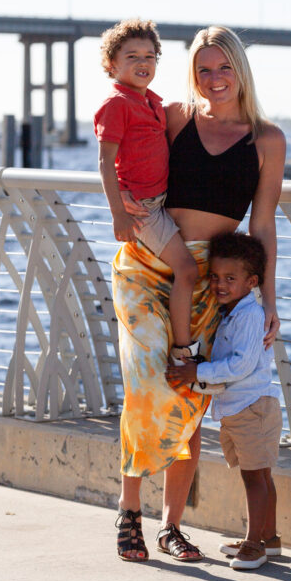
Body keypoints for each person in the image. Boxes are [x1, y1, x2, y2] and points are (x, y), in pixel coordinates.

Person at [112, 25, 285, 563]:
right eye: (204, 68)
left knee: (189, 402)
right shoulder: (175, 118)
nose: (214, 79)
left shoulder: (267, 140)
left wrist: (268, 300)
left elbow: (264, 227)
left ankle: (172, 527)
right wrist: (120, 203)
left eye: (224, 67)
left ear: (240, 70)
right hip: (149, 264)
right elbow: (126, 160)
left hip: (212, 281)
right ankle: (129, 510)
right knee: (146, 387)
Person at [167, 232, 282, 570]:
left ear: (252, 282)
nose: (220, 284)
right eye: (215, 277)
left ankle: (253, 545)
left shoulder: (248, 315)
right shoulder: (235, 311)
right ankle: (269, 539)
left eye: (230, 279)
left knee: (254, 478)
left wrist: (198, 372)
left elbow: (242, 365)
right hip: (241, 407)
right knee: (260, 476)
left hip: (253, 407)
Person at [94, 18, 202, 367]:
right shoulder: (117, 104)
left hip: (163, 200)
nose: (143, 63)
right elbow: (105, 163)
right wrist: (119, 213)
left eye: (150, 56)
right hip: (143, 209)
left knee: (176, 273)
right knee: (187, 271)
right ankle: (183, 352)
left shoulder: (152, 101)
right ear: (112, 64)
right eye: (131, 57)